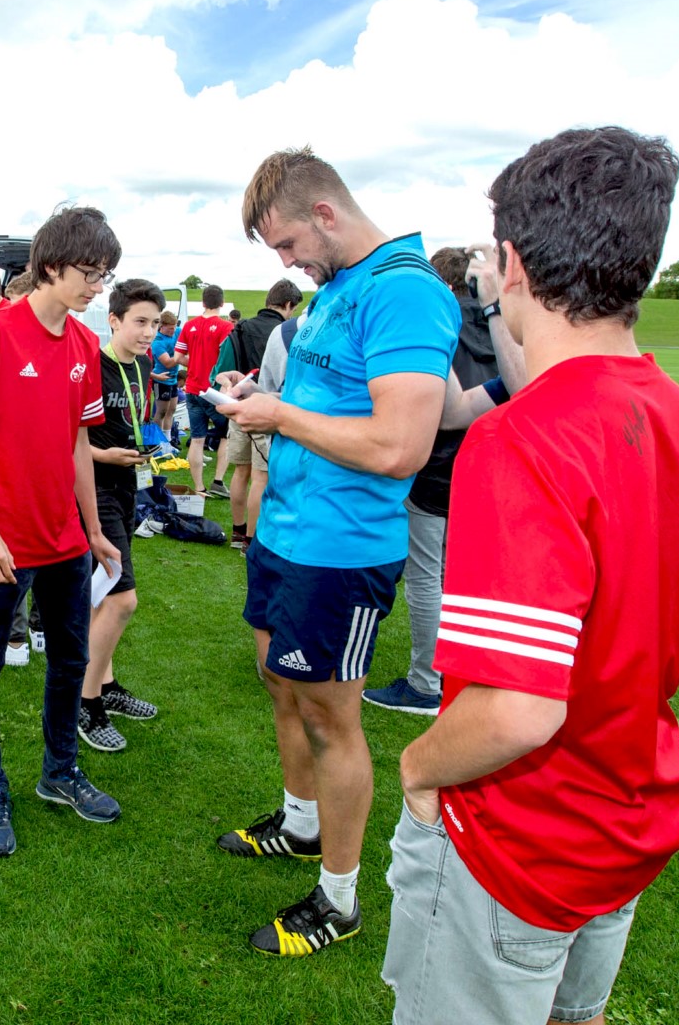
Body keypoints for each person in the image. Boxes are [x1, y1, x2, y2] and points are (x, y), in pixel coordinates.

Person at [380, 127, 679, 1024]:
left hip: (518, 841)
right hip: (623, 822)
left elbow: (516, 708)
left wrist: (419, 767)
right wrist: (605, 688)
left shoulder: (521, 439)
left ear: (510, 262)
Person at [215, 147, 459, 958]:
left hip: (341, 552)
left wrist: (276, 419)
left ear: (325, 214)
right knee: (280, 686)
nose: (284, 264)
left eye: (285, 246)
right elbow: (323, 403)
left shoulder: (402, 292)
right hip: (284, 533)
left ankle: (340, 899)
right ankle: (299, 823)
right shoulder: (337, 290)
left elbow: (397, 446)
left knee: (330, 717)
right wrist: (265, 402)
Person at [0, 204, 125, 859]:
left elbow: (75, 443)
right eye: (89, 272)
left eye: (105, 274)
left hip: (64, 540)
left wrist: (94, 528)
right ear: (48, 266)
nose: (98, 286)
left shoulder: (82, 346)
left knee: (70, 661)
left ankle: (58, 772)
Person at [362, 245, 525, 715]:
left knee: (426, 578)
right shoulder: (508, 323)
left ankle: (426, 682)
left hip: (437, 466)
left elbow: (440, 406)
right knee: (468, 574)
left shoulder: (436, 322)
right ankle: (464, 669)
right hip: (494, 467)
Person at [78, 278, 166, 753]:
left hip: (129, 484)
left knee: (101, 595)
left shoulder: (146, 364)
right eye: (139, 322)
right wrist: (103, 455)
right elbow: (66, 438)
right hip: (94, 488)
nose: (149, 331)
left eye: (155, 323)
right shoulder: (91, 364)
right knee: (122, 598)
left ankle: (106, 685)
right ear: (113, 320)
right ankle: (84, 701)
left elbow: (136, 418)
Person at [211, 280, 303, 551]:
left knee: (240, 472)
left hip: (238, 406)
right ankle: (251, 540)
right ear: (288, 305)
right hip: (266, 406)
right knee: (260, 477)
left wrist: (229, 385)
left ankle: (238, 532)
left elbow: (220, 370)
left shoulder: (239, 328)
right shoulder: (289, 332)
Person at [174, 285, 235, 498]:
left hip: (191, 388)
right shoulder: (225, 327)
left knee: (197, 438)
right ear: (222, 303)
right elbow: (226, 359)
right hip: (213, 391)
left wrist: (195, 364)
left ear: (203, 303)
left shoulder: (189, 325)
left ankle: (199, 488)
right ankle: (218, 481)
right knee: (227, 435)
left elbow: (178, 357)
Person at [150, 310, 181, 435]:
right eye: (170, 329)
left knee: (172, 410)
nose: (173, 331)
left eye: (174, 328)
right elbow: (167, 362)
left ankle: (168, 440)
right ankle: (158, 442)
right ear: (161, 326)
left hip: (173, 379)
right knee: (161, 411)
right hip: (161, 379)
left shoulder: (178, 331)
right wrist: (181, 356)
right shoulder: (158, 342)